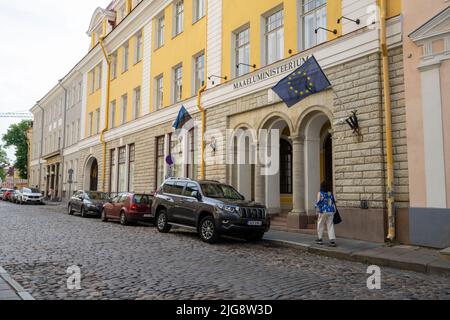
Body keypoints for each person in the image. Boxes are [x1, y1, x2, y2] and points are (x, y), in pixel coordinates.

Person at [315, 181, 337, 247]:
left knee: (320, 224)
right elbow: (333, 202)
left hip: (323, 211)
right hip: (331, 210)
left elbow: (318, 202)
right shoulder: (330, 193)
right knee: (330, 225)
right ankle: (332, 240)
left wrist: (316, 208)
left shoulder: (320, 193)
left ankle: (320, 239)